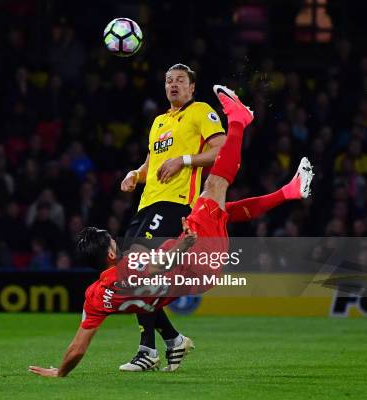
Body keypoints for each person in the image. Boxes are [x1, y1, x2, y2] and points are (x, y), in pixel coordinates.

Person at [28, 85, 315, 378]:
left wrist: (60, 372)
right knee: (214, 187)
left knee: (221, 210)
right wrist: (186, 243)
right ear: (111, 252)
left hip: (196, 276)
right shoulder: (130, 266)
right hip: (195, 256)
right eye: (113, 239)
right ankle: (239, 119)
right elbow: (157, 265)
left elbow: (77, 348)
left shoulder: (94, 297)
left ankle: (289, 191)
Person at [118, 63, 226, 372]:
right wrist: (134, 174)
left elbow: (221, 150)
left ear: (192, 87)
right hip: (146, 206)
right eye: (168, 80)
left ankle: (147, 351)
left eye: (180, 80)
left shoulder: (201, 111)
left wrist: (186, 160)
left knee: (137, 270)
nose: (173, 84)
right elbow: (153, 162)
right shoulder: (159, 122)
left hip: (176, 204)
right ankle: (172, 340)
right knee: (132, 275)